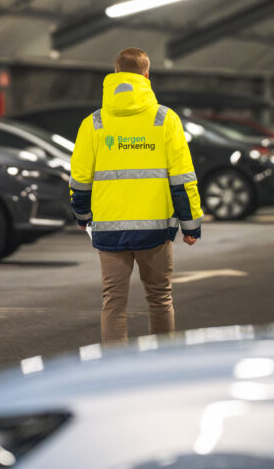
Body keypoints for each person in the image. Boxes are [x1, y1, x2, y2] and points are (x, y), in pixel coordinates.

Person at [69, 47, 203, 345]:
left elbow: (80, 180)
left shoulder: (94, 123)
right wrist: (190, 225)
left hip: (109, 230)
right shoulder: (165, 120)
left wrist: (82, 216)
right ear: (146, 75)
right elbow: (182, 179)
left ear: (114, 75)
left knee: (113, 303)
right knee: (160, 299)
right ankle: (162, 364)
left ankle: (115, 371)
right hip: (155, 230)